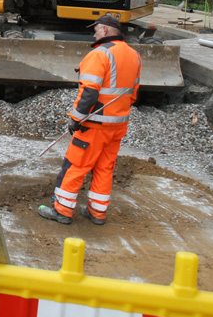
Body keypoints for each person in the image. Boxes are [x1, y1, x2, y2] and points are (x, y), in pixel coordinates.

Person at [38, 13, 141, 226]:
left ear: (104, 30)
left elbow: (89, 94)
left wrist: (75, 119)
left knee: (75, 166)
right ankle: (97, 212)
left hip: (94, 126)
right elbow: (133, 94)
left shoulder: (99, 54)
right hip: (118, 125)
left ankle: (62, 211)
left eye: (95, 31)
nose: (94, 35)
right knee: (104, 168)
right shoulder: (134, 56)